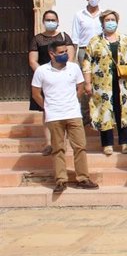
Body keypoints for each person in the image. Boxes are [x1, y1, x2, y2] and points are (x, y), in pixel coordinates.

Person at [30, 40, 99, 193]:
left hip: (73, 113)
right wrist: (47, 107)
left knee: (80, 147)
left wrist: (74, 99)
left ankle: (83, 178)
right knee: (58, 149)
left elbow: (80, 86)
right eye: (61, 52)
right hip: (54, 116)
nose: (64, 55)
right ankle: (61, 180)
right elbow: (35, 93)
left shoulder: (74, 68)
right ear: (51, 54)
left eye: (65, 52)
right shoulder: (42, 71)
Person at [83, 10, 127, 156]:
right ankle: (107, 144)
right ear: (102, 23)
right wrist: (88, 83)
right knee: (105, 112)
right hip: (102, 85)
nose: (110, 22)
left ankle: (125, 143)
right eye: (107, 20)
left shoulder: (125, 39)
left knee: (124, 111)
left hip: (124, 84)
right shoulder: (95, 41)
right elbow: (87, 63)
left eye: (112, 19)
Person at [29, 10, 75, 156]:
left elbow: (71, 58)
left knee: (65, 109)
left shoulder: (64, 37)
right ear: (43, 21)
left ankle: (64, 142)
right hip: (45, 80)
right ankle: (49, 143)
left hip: (64, 78)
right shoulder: (37, 39)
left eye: (53, 19)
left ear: (58, 21)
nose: (50, 22)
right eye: (48, 19)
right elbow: (32, 61)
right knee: (47, 111)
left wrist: (61, 73)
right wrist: (45, 75)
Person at [71, 0, 103, 124]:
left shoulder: (104, 15)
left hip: (101, 51)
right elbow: (75, 38)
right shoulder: (79, 15)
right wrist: (72, 58)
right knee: (85, 84)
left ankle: (100, 114)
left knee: (101, 82)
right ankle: (85, 115)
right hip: (84, 51)